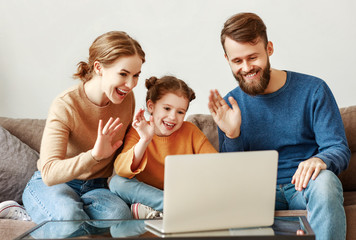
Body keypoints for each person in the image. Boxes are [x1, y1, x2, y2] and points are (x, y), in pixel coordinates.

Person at [208, 12, 350, 240]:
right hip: (258, 193)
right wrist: (232, 135)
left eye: (252, 57)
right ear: (227, 59)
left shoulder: (313, 90)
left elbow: (338, 148)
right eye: (237, 61)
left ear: (269, 49)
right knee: (233, 198)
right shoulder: (229, 106)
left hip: (305, 185)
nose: (246, 68)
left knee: (325, 182)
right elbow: (231, 176)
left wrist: (321, 159)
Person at [22, 31, 146, 224]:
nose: (131, 84)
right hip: (56, 183)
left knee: (120, 218)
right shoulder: (66, 104)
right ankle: (35, 210)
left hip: (97, 187)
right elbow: (49, 173)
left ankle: (57, 219)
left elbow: (125, 159)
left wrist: (146, 137)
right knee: (68, 217)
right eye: (123, 74)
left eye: (136, 75)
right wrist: (94, 156)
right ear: (98, 67)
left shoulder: (126, 100)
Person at [109, 75, 217, 219]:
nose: (173, 117)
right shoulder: (138, 130)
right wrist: (145, 140)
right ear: (151, 106)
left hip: (181, 193)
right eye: (167, 108)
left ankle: (163, 211)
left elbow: (216, 165)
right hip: (151, 194)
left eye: (180, 112)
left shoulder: (190, 131)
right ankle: (177, 208)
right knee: (117, 183)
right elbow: (122, 170)